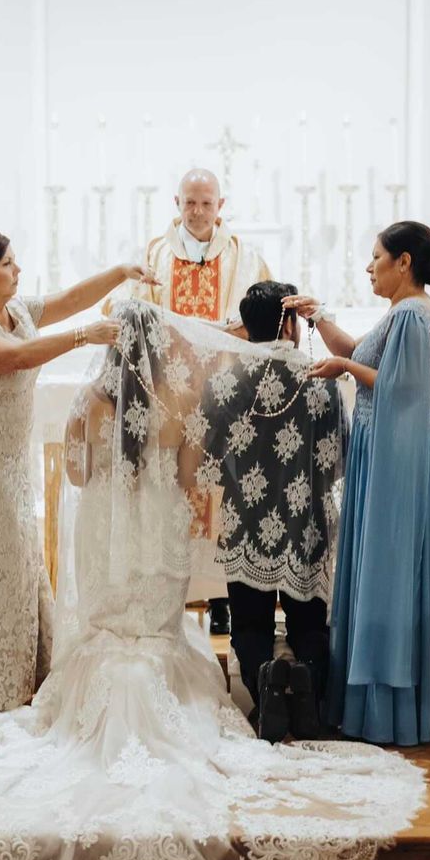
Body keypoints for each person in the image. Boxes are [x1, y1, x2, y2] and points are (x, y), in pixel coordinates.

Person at [0, 300, 425, 860]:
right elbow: (189, 485)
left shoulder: (88, 406)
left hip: (105, 543)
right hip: (158, 548)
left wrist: (107, 480)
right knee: (157, 629)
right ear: (162, 348)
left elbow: (74, 475)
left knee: (106, 624)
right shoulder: (179, 409)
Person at [0, 227, 156, 713]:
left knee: (17, 559)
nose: (18, 271)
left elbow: (67, 300)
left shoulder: (13, 311)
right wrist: (84, 337)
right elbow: (9, 359)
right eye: (7, 265)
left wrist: (120, 272)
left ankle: (19, 672)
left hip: (11, 455)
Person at [289, 221, 430, 746]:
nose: (368, 267)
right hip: (397, 447)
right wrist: (320, 317)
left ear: (404, 263)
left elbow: (402, 390)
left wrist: (345, 366)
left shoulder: (414, 315)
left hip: (409, 454)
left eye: (376, 257)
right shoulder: (401, 311)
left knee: (397, 572)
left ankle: (397, 707)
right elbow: (364, 355)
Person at [121, 168, 272, 634]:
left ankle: (223, 595)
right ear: (177, 202)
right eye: (190, 203)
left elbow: (262, 319)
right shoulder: (154, 254)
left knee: (221, 491)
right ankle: (175, 589)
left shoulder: (246, 257)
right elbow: (136, 315)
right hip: (171, 392)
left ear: (220, 205)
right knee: (174, 488)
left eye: (207, 203)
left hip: (225, 392)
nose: (199, 212)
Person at [203, 281, 348, 742]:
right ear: (289, 322)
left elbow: (207, 456)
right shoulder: (320, 377)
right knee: (309, 618)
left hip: (245, 522)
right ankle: (308, 700)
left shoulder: (225, 382)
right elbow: (339, 457)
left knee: (249, 620)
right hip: (305, 519)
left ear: (246, 327)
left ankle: (265, 693)